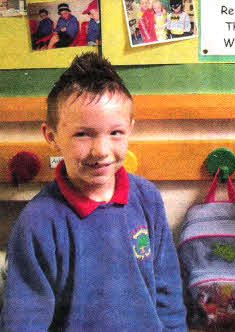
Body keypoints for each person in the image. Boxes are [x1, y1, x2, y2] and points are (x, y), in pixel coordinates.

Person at [0, 52, 187, 331]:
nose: (101, 151)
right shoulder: (37, 222)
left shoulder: (147, 197)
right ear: (52, 137)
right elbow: (24, 321)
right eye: (83, 134)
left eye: (116, 133)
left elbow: (167, 291)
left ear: (130, 131)